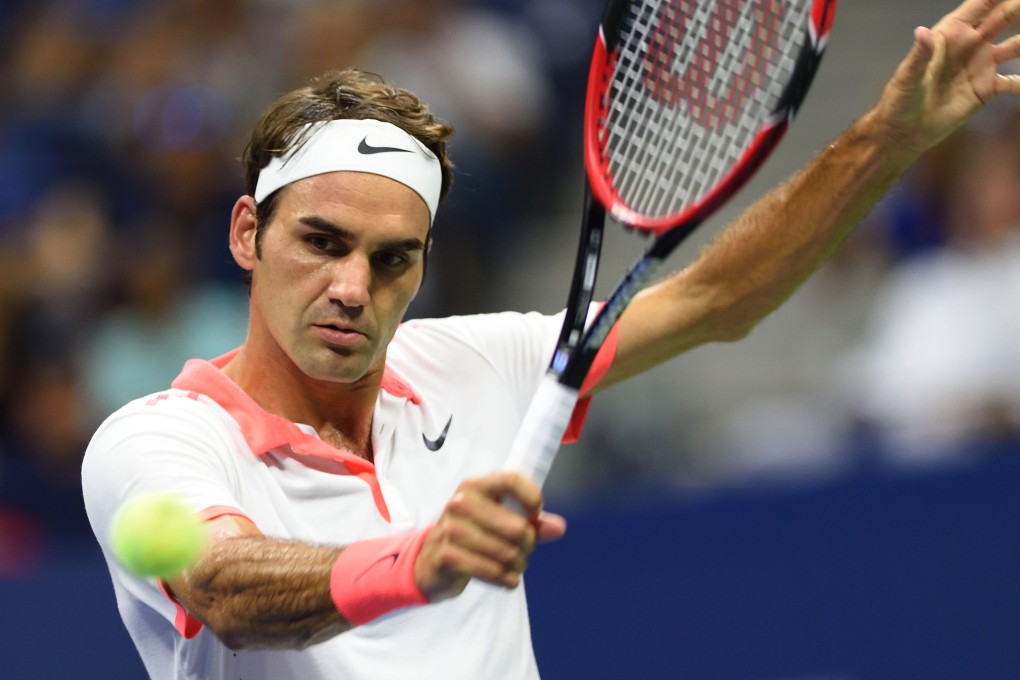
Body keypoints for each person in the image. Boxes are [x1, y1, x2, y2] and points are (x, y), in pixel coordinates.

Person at [81, 1, 1020, 678]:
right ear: (248, 233)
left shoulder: (479, 362)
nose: (353, 288)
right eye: (321, 242)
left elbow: (720, 298)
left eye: (393, 258)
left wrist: (886, 139)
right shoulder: (154, 441)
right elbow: (227, 589)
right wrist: (424, 558)